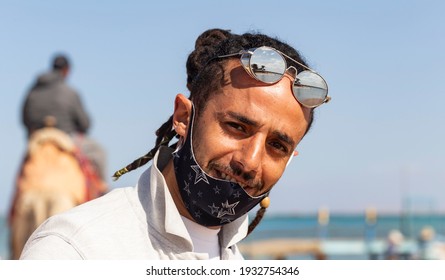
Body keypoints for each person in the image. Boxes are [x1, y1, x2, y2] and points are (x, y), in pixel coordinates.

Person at [20, 28, 330, 260]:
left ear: (290, 158)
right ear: (183, 117)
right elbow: (83, 122)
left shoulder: (234, 260)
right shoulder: (75, 251)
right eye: (236, 127)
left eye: (277, 146)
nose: (250, 161)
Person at [22, 54, 107, 180]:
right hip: (66, 137)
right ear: (67, 70)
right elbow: (85, 124)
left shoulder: (32, 91)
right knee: (99, 151)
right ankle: (102, 187)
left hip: (37, 139)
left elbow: (24, 119)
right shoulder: (69, 92)